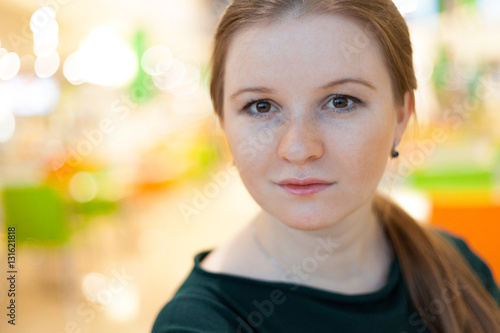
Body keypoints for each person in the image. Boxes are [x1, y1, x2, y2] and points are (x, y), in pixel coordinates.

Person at [152, 0, 500, 332]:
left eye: (340, 101)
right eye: (260, 106)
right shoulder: (197, 323)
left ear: (401, 115)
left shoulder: (459, 271)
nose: (299, 148)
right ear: (223, 123)